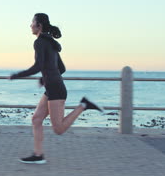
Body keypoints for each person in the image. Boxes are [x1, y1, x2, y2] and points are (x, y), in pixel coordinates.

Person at [9, 13, 104, 164]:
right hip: (53, 87)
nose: (30, 25)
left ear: (39, 25)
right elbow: (61, 68)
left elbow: (38, 66)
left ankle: (84, 105)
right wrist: (44, 77)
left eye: (32, 22)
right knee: (36, 119)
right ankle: (38, 155)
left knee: (58, 129)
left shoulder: (40, 42)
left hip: (55, 90)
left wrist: (17, 75)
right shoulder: (51, 42)